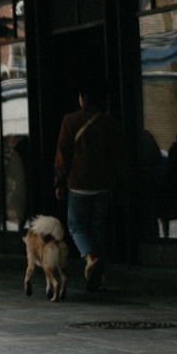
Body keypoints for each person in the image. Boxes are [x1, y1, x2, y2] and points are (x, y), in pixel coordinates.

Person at [54, 86, 126, 291]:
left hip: (79, 184)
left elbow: (63, 155)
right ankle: (99, 277)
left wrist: (59, 182)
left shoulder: (70, 120)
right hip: (105, 186)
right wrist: (124, 187)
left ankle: (92, 260)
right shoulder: (111, 123)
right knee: (98, 229)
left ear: (83, 98)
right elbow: (120, 159)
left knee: (76, 227)